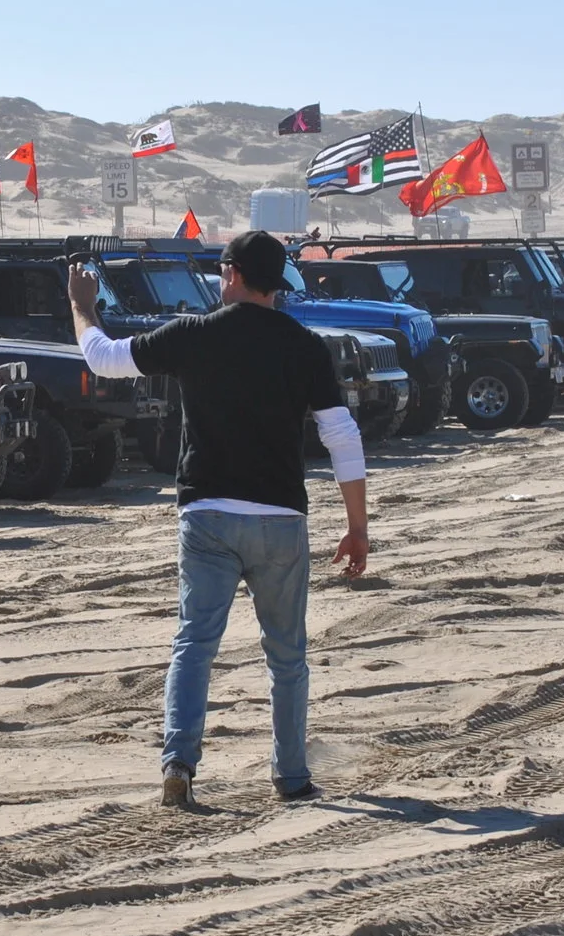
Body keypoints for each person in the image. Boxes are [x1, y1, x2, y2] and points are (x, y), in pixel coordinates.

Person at [69, 231, 369, 809]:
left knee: (195, 645)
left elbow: (103, 358)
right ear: (275, 282)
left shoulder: (193, 335)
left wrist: (83, 307)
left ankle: (178, 763)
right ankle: (292, 776)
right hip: (280, 519)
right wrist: (357, 527)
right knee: (287, 656)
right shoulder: (306, 346)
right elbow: (342, 438)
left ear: (230, 274)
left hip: (207, 515)